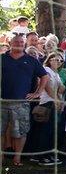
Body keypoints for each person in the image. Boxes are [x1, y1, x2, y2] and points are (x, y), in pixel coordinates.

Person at [1, 34, 49, 166]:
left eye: (22, 42)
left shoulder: (32, 60)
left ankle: (17, 158)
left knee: (20, 132)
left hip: (21, 103)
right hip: (1, 102)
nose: (19, 44)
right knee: (1, 131)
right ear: (10, 43)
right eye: (16, 41)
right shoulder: (2, 58)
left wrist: (37, 92)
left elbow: (44, 76)